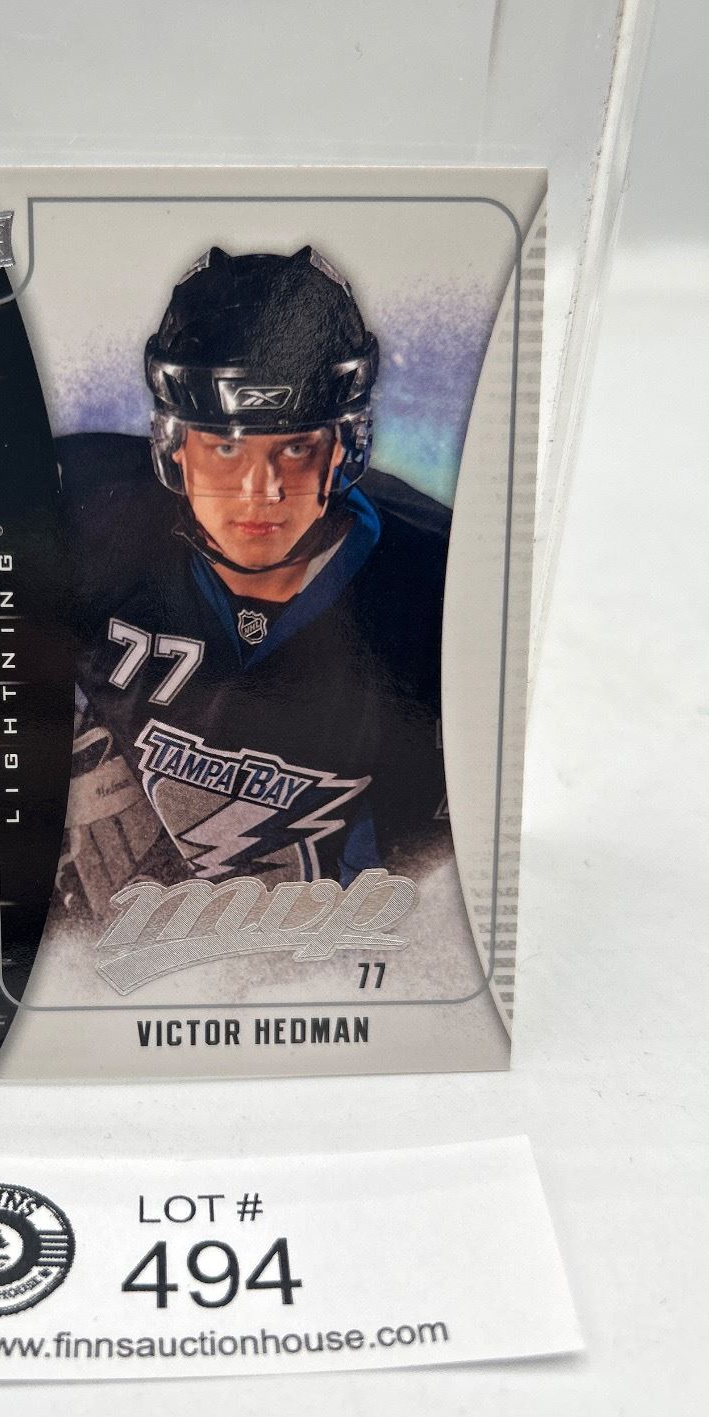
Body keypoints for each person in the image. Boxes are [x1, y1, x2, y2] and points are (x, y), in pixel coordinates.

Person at [55, 245, 453, 921]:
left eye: (294, 447)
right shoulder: (83, 512)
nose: (260, 491)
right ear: (174, 444)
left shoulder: (435, 580)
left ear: (344, 444)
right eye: (226, 446)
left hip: (331, 941)